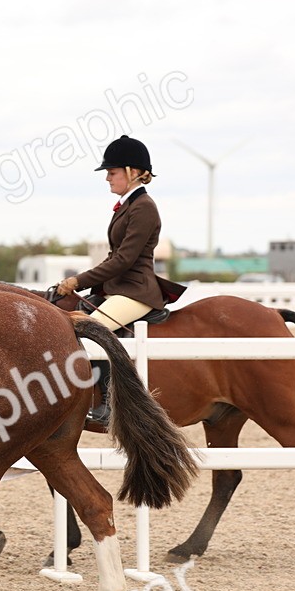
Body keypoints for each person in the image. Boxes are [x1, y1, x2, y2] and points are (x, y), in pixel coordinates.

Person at [55, 134, 185, 425]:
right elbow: (114, 257)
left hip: (136, 291)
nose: (107, 178)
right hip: (120, 288)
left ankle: (108, 404)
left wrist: (78, 281)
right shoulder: (128, 205)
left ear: (132, 172)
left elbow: (124, 260)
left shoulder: (144, 207)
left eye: (112, 173)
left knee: (92, 331)